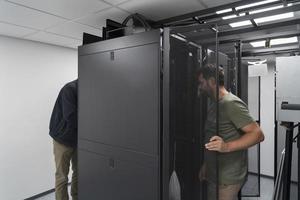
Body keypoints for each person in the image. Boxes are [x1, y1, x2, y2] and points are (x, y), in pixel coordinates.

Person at [197, 64, 264, 200]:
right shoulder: (214, 104)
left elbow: (257, 134)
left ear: (211, 81)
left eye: (201, 82)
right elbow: (211, 138)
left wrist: (226, 146)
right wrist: (206, 166)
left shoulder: (230, 103)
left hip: (227, 179)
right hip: (214, 173)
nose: (200, 87)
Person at [49, 79, 78, 200]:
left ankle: (77, 197)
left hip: (78, 138)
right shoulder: (69, 89)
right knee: (62, 176)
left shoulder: (89, 90)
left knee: (79, 172)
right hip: (62, 139)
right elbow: (71, 116)